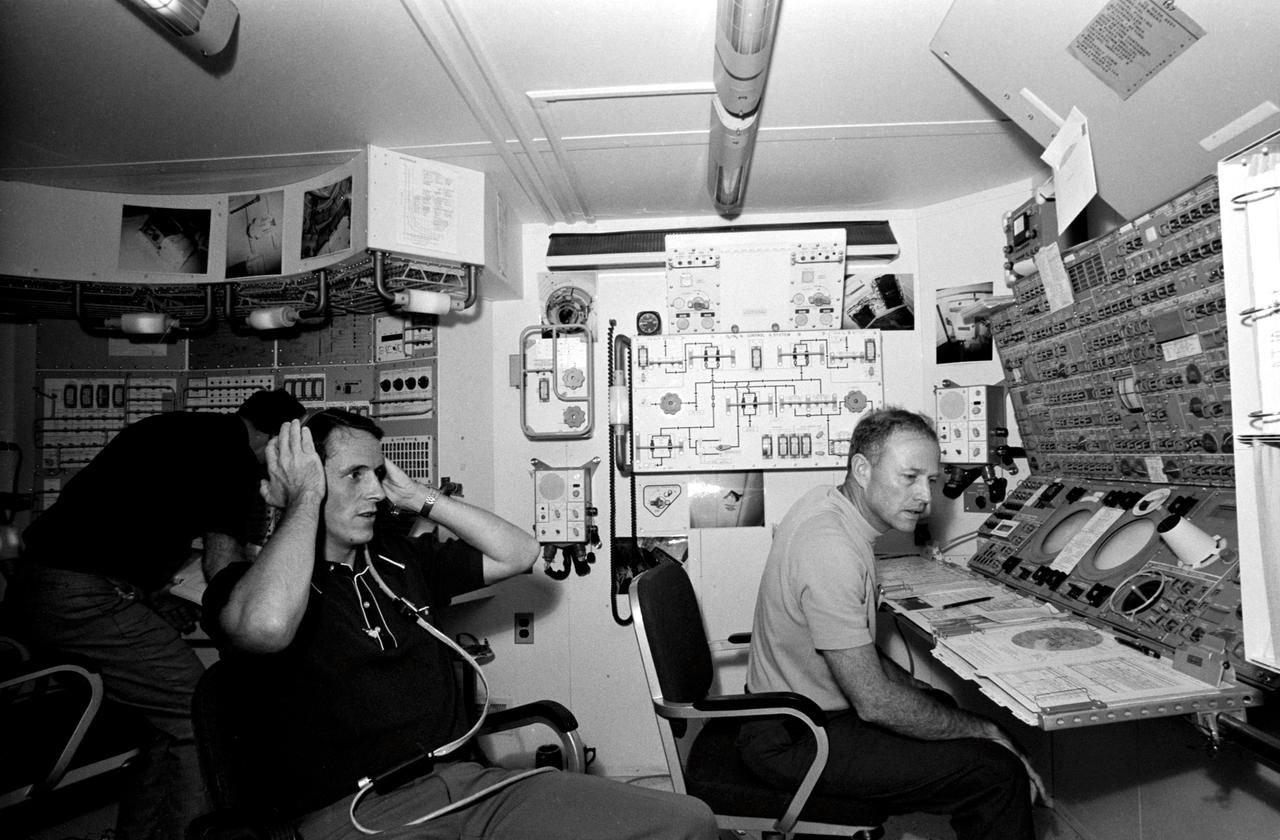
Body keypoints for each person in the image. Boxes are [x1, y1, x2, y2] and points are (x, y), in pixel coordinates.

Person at [201, 409, 719, 839]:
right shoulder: (254, 587)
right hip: (358, 814)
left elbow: (519, 551)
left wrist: (421, 499)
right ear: (302, 483)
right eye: (353, 475)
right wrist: (305, 499)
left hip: (466, 785)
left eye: (377, 474)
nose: (377, 493)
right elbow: (266, 628)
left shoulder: (398, 560)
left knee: (687, 823)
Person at [8, 388, 306, 840]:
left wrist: (147, 596)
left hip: (41, 585)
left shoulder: (173, 428)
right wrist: (252, 614)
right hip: (80, 597)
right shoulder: (233, 458)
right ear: (275, 437)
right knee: (200, 712)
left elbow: (114, 520)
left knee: (165, 721)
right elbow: (221, 569)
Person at [737, 407, 1048, 840]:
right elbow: (875, 703)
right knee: (997, 773)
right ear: (862, 470)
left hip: (793, 715)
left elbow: (851, 652)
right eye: (910, 477)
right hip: (795, 738)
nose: (925, 497)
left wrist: (921, 693)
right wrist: (989, 730)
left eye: (932, 480)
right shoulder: (831, 548)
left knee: (942, 706)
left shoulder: (828, 505)